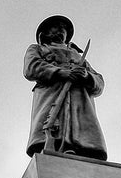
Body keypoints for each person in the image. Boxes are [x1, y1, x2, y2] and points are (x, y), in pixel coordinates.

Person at [24, 15, 107, 160]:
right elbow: (31, 68)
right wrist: (61, 72)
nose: (61, 31)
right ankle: (54, 146)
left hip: (79, 98)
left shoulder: (78, 56)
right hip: (52, 94)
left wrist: (86, 76)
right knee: (52, 126)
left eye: (63, 29)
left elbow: (99, 82)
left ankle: (79, 148)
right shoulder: (38, 49)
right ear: (45, 34)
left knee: (80, 130)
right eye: (56, 28)